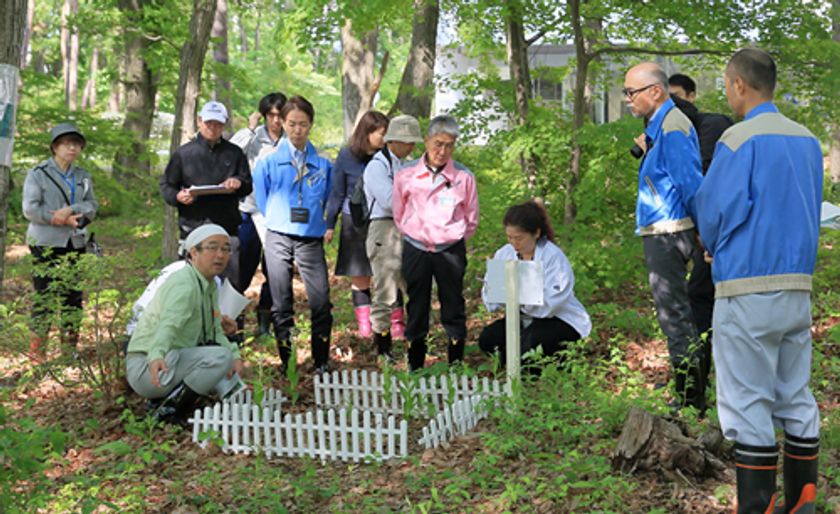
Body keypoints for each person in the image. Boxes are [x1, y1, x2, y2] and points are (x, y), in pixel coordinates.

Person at [694, 49, 823, 514]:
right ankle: (802, 506)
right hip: (797, 289)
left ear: (739, 85)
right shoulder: (807, 140)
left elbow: (714, 210)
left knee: (748, 405)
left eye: (727, 85)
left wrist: (711, 244)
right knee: (795, 396)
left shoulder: (738, 139)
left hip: (746, 289)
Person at [623, 62, 705, 412]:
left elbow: (691, 183)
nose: (627, 99)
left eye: (631, 92)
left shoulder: (672, 126)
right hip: (662, 229)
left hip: (670, 232)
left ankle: (690, 401)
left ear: (655, 91)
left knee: (675, 316)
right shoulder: (660, 125)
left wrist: (705, 232)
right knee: (680, 315)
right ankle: (691, 394)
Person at [125, 224, 245, 425]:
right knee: (219, 357)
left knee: (224, 356)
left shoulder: (207, 284)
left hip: (169, 360)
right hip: (148, 367)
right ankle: (168, 411)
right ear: (193, 253)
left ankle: (173, 404)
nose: (220, 255)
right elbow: (169, 324)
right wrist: (156, 355)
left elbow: (215, 329)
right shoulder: (185, 284)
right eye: (212, 247)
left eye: (225, 249)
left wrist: (235, 356)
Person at [252, 95, 334, 374]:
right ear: (283, 124)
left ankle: (321, 361)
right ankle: (288, 363)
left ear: (311, 125)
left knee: (321, 300)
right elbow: (261, 199)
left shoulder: (322, 165)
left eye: (303, 124)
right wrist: (277, 217)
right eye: (291, 124)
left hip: (310, 238)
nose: (297, 130)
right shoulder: (268, 161)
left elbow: (328, 198)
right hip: (278, 236)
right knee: (281, 302)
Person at [668, 73, 735, 407]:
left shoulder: (711, 126)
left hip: (720, 234)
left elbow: (702, 179)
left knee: (702, 299)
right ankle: (694, 391)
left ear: (691, 97)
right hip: (702, 234)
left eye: (677, 99)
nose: (674, 107)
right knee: (698, 301)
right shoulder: (678, 131)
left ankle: (697, 394)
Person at [393, 114, 479, 371]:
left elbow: (471, 218)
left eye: (449, 145)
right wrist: (416, 233)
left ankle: (455, 364)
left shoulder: (464, 177)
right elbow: (399, 212)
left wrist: (451, 237)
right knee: (417, 305)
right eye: (438, 144)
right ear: (427, 141)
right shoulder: (406, 174)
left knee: (453, 303)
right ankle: (415, 365)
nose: (443, 151)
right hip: (416, 248)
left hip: (450, 249)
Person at [479, 201, 591, 370]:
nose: (514, 243)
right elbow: (490, 291)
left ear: (536, 233)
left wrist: (522, 299)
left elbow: (554, 301)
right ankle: (516, 364)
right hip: (522, 319)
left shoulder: (553, 256)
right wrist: (496, 295)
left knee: (531, 344)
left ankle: (556, 363)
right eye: (510, 237)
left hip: (558, 319)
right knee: (489, 339)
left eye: (519, 238)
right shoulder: (504, 253)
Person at [22, 123, 98, 358]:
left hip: (75, 243)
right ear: (55, 147)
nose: (72, 148)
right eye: (66, 143)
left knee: (73, 297)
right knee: (44, 296)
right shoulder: (38, 173)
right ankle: (38, 355)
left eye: (76, 144)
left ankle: (68, 353)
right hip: (45, 243)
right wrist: (58, 219)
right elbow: (30, 210)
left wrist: (72, 210)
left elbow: (92, 205)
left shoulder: (82, 175)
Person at [160, 100, 252, 287]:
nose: (213, 127)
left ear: (224, 124)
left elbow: (248, 185)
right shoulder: (184, 154)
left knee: (229, 285)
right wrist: (178, 197)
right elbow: (167, 185)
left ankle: (230, 316)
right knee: (190, 284)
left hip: (227, 229)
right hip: (193, 228)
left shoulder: (235, 153)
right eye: (209, 122)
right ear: (199, 121)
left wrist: (237, 183)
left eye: (218, 123)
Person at [324, 111, 389, 338]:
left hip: (382, 220)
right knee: (360, 273)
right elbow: (337, 192)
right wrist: (330, 224)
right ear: (368, 132)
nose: (383, 138)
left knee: (386, 271)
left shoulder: (387, 157)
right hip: (354, 221)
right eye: (380, 134)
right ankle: (364, 325)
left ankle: (391, 323)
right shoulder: (346, 155)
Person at [363, 115, 423, 360]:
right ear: (393, 140)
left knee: (416, 286)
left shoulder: (406, 165)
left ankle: (415, 344)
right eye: (406, 141)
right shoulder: (377, 166)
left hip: (410, 229)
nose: (411, 146)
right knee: (385, 291)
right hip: (384, 229)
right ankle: (383, 349)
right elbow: (390, 201)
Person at [230, 92, 287, 336]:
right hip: (249, 210)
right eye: (271, 115)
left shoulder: (290, 140)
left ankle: (266, 319)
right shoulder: (254, 137)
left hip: (279, 213)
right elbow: (231, 152)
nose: (276, 120)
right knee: (241, 268)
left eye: (279, 115)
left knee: (276, 268)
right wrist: (250, 129)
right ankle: (234, 321)